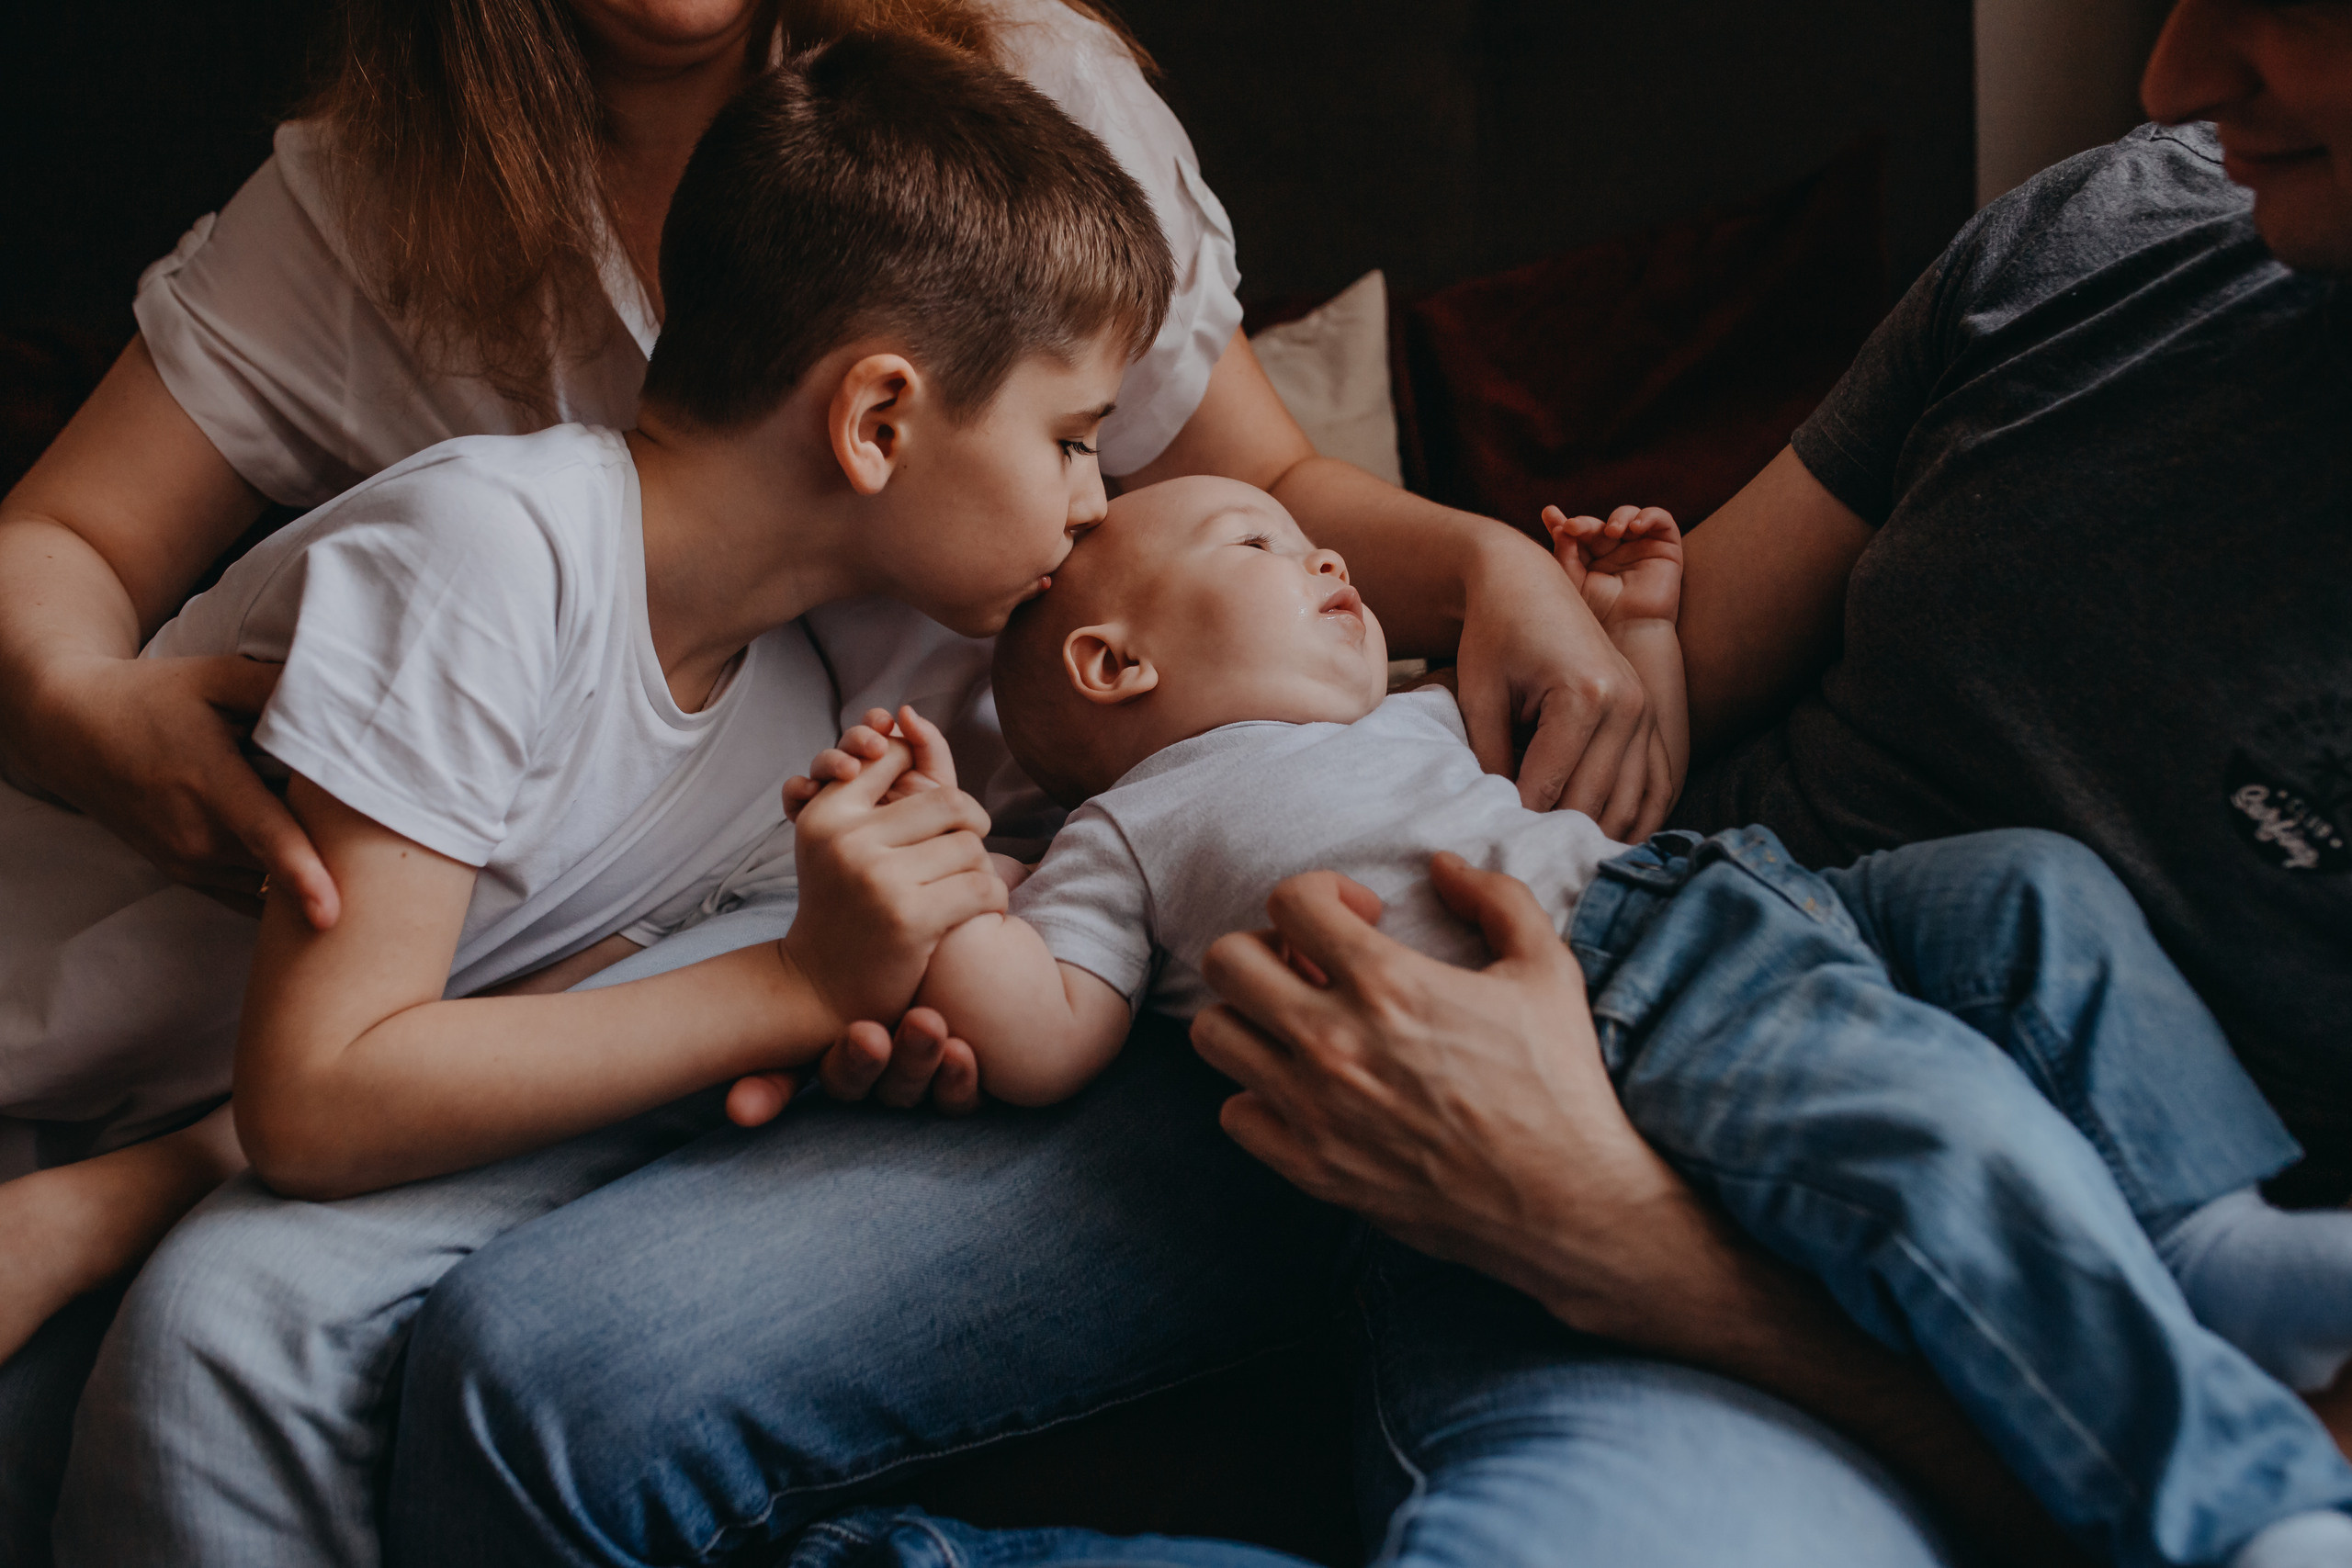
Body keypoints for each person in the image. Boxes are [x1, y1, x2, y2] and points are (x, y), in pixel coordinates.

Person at [374, 4, 2352, 1566]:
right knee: (530, 1377)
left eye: (2287, 4)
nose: (2171, 73)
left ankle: (2192, 1261)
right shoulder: (2105, 237)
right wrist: (1573, 614)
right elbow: (1630, 738)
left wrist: (1599, 1218)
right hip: (1539, 967)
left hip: (1745, 1175)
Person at [2, 0, 1657, 1558]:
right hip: (105, 1016)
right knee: (217, 1340)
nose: (1100, 506)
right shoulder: (483, 552)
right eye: (1074, 444)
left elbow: (559, 988)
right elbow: (334, 1084)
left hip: (656, 975)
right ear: (873, 423)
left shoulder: (791, 708)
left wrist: (1492, 570)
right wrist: (801, 987)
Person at [829, 468, 2352, 1568]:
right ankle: (2245, 1506)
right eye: (1261, 543)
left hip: (1737, 894)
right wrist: (947, 884)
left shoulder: (1417, 707)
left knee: (2032, 886)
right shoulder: (1129, 834)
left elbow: (1621, 793)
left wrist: (1641, 639)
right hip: (1627, 1003)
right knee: (1935, 1135)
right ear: (1116, 662)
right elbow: (1046, 1034)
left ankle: (2200, 1226)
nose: (1328, 556)